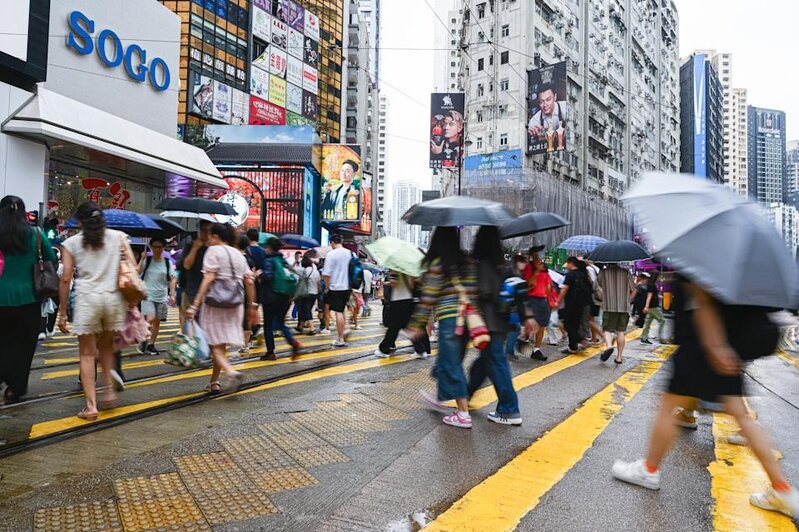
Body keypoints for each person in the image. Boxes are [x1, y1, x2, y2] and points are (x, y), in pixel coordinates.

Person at [611, 278, 799, 520]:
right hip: (726, 342)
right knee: (741, 416)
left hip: (703, 343)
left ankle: (649, 468)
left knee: (667, 406)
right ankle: (782, 489)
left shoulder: (699, 257)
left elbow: (702, 299)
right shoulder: (730, 255)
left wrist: (713, 345)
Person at [58, 203, 129, 419]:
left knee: (87, 354)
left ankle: (91, 406)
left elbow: (66, 278)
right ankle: (108, 392)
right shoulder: (118, 237)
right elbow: (129, 267)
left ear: (80, 222)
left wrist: (62, 313)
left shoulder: (71, 243)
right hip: (113, 299)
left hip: (88, 300)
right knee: (106, 348)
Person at [409, 226, 476, 429]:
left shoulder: (438, 263)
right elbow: (473, 291)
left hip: (449, 320)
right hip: (468, 319)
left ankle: (463, 414)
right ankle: (440, 398)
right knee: (448, 361)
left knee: (451, 364)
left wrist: (417, 324)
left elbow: (428, 297)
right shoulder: (467, 261)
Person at [185, 224, 257, 393]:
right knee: (221, 344)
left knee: (214, 344)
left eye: (210, 237)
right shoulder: (238, 254)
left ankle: (231, 372)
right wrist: (252, 306)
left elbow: (209, 277)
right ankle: (214, 381)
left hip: (216, 302)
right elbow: (249, 281)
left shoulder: (213, 251)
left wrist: (195, 304)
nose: (208, 240)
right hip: (235, 303)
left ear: (216, 237)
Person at [0, 196, 58, 404]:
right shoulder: (35, 234)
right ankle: (15, 388)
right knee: (24, 346)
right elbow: (52, 258)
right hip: (29, 300)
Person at [468, 226, 524, 426]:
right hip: (502, 320)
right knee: (484, 362)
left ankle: (509, 409)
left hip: (488, 321)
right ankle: (466, 396)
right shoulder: (505, 264)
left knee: (496, 363)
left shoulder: (484, 264)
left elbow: (484, 292)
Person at [260, 238, 303, 360]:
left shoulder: (269, 261)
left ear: (269, 247)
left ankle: (270, 352)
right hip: (285, 297)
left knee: (268, 325)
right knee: (280, 322)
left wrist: (259, 274)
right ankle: (292, 341)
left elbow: (267, 277)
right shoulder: (283, 261)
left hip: (271, 297)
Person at [374, 269, 430, 359]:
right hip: (408, 300)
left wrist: (388, 282)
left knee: (394, 327)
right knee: (405, 326)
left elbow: (394, 283)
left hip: (398, 300)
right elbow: (412, 284)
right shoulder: (409, 271)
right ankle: (420, 350)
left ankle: (384, 349)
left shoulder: (396, 269)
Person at [137, 237, 176, 356]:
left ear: (163, 248)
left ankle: (151, 344)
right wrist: (142, 258)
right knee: (148, 320)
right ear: (151, 247)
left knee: (157, 322)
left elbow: (172, 279)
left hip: (161, 296)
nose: (157, 249)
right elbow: (137, 272)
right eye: (154, 247)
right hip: (147, 296)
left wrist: (172, 294)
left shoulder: (167, 263)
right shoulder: (147, 260)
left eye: (159, 247)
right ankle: (144, 340)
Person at [597, 264, 635, 364]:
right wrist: (628, 301)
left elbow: (598, 287)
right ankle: (619, 358)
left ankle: (609, 346)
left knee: (607, 329)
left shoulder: (603, 273)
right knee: (621, 332)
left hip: (609, 305)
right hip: (624, 307)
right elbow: (634, 289)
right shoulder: (626, 272)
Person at [178, 220, 211, 328]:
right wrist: (195, 248)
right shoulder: (191, 245)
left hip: (209, 293)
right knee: (188, 325)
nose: (205, 234)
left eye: (208, 231)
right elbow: (186, 265)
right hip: (190, 290)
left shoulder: (214, 248)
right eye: (203, 230)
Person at [519, 252, 552, 361]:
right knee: (532, 323)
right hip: (532, 299)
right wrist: (536, 272)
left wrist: (549, 301)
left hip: (543, 301)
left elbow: (548, 288)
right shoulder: (529, 268)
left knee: (542, 325)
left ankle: (536, 349)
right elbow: (529, 284)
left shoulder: (546, 273)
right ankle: (525, 340)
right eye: (538, 260)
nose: (540, 262)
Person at [322, 234, 352, 347]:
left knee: (338, 312)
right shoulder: (350, 253)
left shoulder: (331, 254)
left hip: (336, 287)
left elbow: (326, 274)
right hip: (347, 287)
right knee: (342, 309)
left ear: (332, 242)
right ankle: (346, 328)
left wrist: (327, 286)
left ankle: (340, 338)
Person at [558, 257, 592, 354]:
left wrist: (558, 301)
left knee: (567, 324)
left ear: (571, 264)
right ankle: (573, 347)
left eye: (567, 263)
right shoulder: (583, 274)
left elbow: (564, 289)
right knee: (575, 325)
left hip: (571, 303)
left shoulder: (570, 275)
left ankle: (581, 340)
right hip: (581, 304)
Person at [527, 84, 569, 152]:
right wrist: (533, 135)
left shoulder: (565, 108)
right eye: (541, 102)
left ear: (555, 97)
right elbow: (531, 146)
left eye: (548, 100)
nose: (545, 105)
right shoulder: (534, 121)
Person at [245, 229, 266, 344]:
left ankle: (252, 332)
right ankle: (256, 327)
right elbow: (264, 268)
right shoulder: (263, 251)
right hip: (261, 284)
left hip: (248, 282)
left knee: (248, 308)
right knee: (255, 307)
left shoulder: (246, 250)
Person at [295, 255, 320, 334]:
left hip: (306, 293)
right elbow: (318, 283)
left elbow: (292, 269)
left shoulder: (304, 270)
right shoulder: (316, 271)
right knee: (305, 310)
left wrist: (296, 261)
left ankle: (312, 328)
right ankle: (300, 326)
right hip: (314, 293)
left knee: (307, 310)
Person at [640, 273, 665, 344]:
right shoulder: (652, 285)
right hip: (653, 307)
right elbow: (649, 296)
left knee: (647, 323)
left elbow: (651, 295)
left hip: (651, 307)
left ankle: (643, 337)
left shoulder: (650, 284)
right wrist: (646, 306)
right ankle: (660, 337)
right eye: (659, 276)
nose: (659, 278)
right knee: (662, 320)